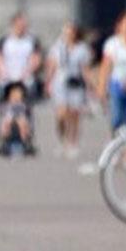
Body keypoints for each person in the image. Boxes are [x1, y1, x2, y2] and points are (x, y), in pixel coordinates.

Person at [0, 12, 42, 156]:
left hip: (25, 82)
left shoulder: (31, 41)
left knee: (25, 113)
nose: (22, 27)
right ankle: (4, 140)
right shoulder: (5, 41)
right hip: (7, 82)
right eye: (19, 24)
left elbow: (36, 58)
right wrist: (2, 72)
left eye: (24, 25)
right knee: (5, 112)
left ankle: (26, 139)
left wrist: (27, 72)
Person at [46, 22, 95, 157]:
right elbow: (52, 66)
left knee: (74, 114)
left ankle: (72, 142)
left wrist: (91, 85)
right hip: (60, 82)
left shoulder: (82, 49)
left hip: (76, 82)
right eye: (66, 32)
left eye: (71, 32)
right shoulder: (57, 48)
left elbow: (85, 69)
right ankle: (61, 140)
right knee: (61, 113)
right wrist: (48, 82)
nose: (68, 35)